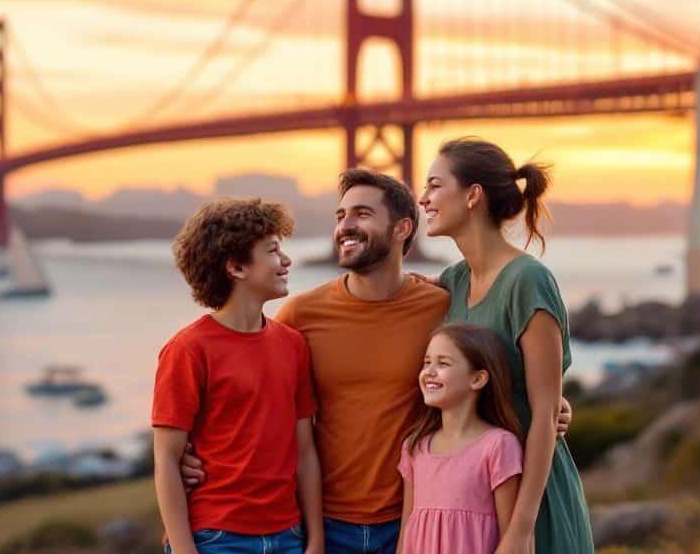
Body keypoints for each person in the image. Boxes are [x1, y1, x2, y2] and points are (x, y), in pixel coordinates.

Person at [180, 170, 571, 554]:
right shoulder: (301, 314)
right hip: (324, 526)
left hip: (414, 522)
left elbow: (493, 363)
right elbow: (256, 400)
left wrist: (552, 403)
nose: (345, 226)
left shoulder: (442, 306)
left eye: (361, 214)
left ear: (402, 229)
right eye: (340, 216)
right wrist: (187, 452)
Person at [419, 138, 595, 554]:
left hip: (531, 498)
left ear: (473, 195)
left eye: (434, 186)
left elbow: (545, 411)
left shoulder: (528, 281)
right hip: (471, 497)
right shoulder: (453, 280)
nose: (423, 199)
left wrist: (519, 531)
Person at [152, 199, 323, 554]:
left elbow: (305, 452)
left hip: (288, 536)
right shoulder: (187, 350)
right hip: (216, 538)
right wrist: (185, 550)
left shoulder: (292, 345)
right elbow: (167, 460)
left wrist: (315, 539)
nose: (286, 261)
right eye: (273, 250)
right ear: (237, 267)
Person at [396, 324, 525, 554]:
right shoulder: (414, 447)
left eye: (443, 363)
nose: (429, 371)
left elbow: (512, 537)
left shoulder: (498, 446)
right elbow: (407, 529)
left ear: (477, 379)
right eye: (427, 362)